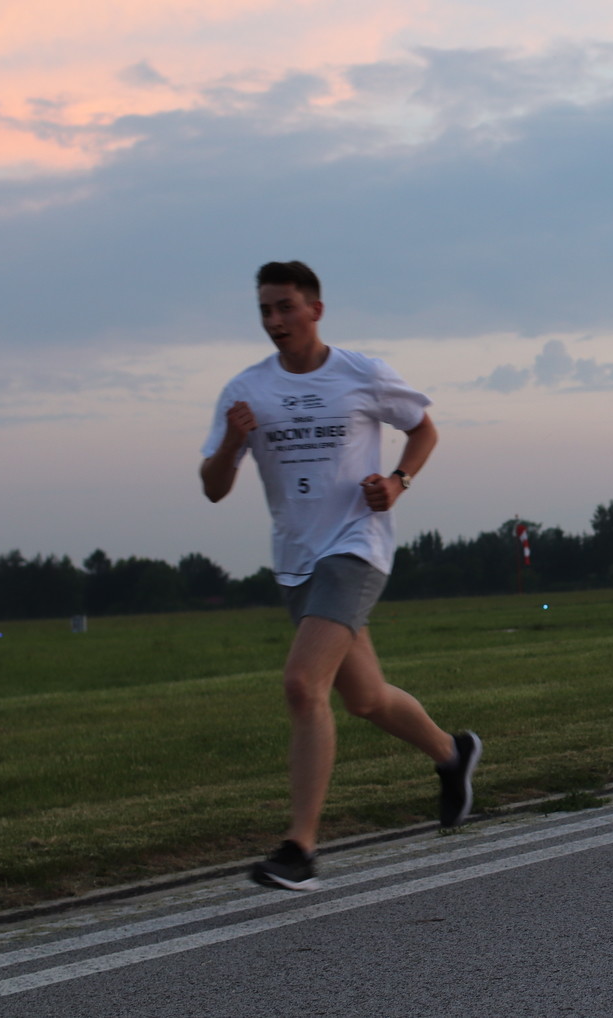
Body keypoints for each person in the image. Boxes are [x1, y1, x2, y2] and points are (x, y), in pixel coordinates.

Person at [200, 261, 481, 891]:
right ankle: (452, 753)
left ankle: (299, 848)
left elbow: (423, 429)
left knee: (303, 685)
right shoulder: (246, 390)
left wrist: (397, 482)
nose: (275, 320)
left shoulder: (361, 374)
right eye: (265, 310)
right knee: (365, 699)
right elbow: (214, 488)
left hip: (356, 546)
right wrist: (231, 443)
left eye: (285, 307)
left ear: (315, 310)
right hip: (295, 559)